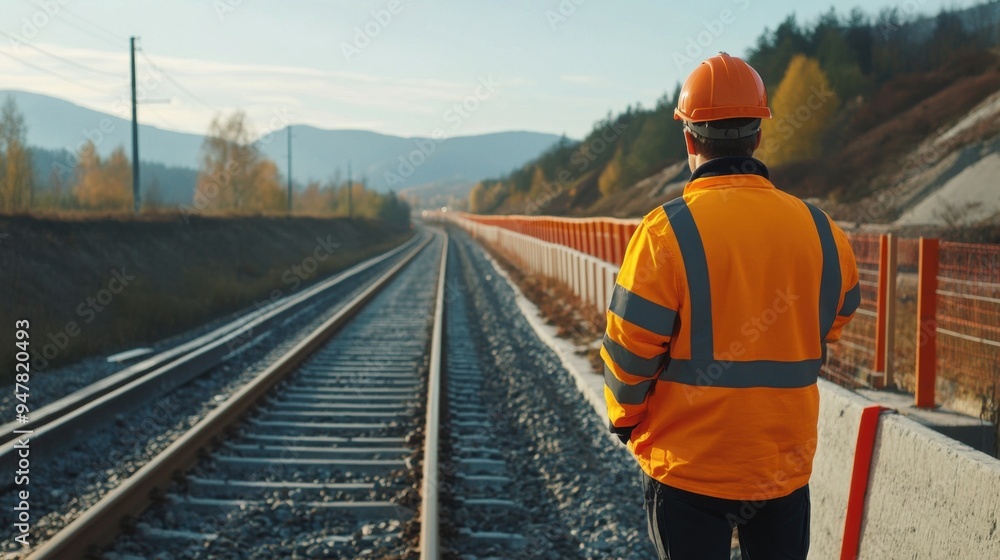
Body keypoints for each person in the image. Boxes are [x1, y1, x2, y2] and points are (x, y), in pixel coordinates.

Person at [600, 52, 860, 559]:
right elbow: (836, 318)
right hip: (781, 467)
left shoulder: (664, 233)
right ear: (759, 135)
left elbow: (629, 351)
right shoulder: (821, 230)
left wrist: (626, 420)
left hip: (689, 469)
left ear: (689, 138)